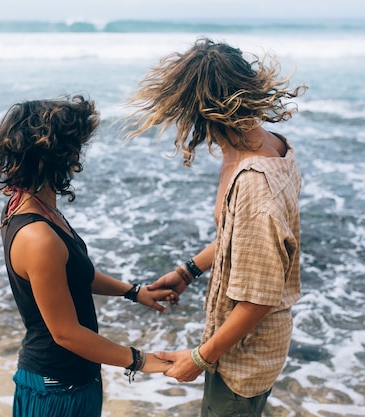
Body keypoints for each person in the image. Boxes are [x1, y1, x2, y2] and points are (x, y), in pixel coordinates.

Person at [122, 38, 307, 416]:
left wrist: (200, 358)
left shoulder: (254, 182)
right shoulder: (273, 144)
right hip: (252, 347)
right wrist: (186, 272)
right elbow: (236, 239)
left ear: (197, 111)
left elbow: (258, 297)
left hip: (244, 359)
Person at [0, 95, 174, 417]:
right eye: (77, 146)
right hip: (56, 387)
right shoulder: (38, 236)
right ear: (61, 155)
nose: (80, 155)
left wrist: (133, 292)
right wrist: (141, 361)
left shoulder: (34, 206)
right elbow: (66, 333)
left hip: (74, 377)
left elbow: (72, 274)